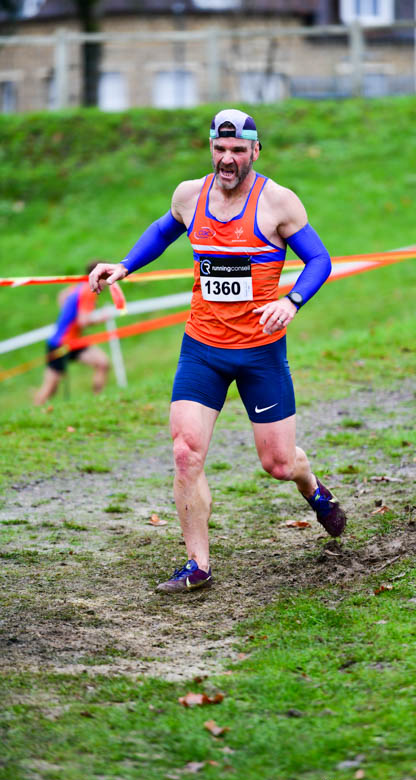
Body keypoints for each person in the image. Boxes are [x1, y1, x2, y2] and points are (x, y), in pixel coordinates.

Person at [89, 109, 346, 593]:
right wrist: (124, 265)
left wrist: (291, 301)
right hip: (202, 349)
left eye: (238, 150)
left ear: (255, 151)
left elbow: (319, 259)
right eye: (220, 149)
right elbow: (164, 230)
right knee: (185, 452)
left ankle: (311, 486)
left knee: (278, 464)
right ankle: (198, 565)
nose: (227, 159)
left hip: (260, 353)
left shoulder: (278, 202)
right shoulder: (190, 196)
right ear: (211, 148)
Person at [34, 261, 110, 405]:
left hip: (73, 341)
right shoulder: (88, 291)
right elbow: (83, 321)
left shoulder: (79, 286)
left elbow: (62, 296)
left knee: (102, 363)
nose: (109, 282)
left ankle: (98, 400)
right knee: (50, 388)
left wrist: (68, 313)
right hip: (60, 343)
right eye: (107, 277)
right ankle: (36, 409)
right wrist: (102, 318)